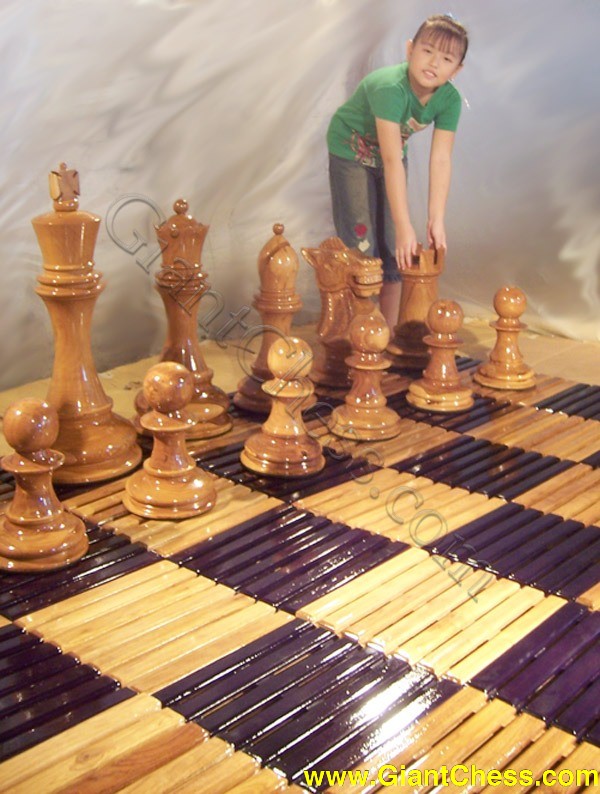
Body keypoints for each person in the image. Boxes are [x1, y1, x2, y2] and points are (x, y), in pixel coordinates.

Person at [327, 14, 468, 330]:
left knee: (395, 246)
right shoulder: (390, 87)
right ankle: (360, 332)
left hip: (390, 153)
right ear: (409, 50)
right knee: (362, 240)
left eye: (446, 59)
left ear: (457, 70)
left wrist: (436, 218)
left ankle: (386, 333)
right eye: (427, 51)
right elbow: (391, 160)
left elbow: (441, 159)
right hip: (351, 151)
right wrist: (406, 227)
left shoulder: (449, 100)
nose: (434, 63)